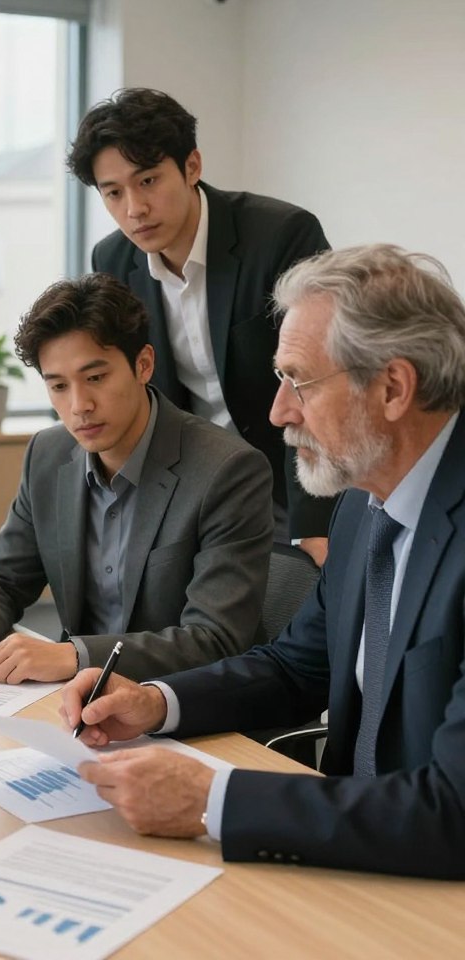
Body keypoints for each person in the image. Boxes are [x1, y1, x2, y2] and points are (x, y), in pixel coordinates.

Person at [61, 244, 465, 879]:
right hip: (359, 865)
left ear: (393, 387)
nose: (279, 411)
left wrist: (211, 800)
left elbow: (455, 810)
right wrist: (155, 702)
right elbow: (297, 667)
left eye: (298, 380)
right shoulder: (365, 503)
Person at [0, 273, 273, 685]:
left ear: (143, 364)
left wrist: (75, 657)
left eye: (95, 378)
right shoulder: (47, 455)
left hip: (185, 710)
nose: (79, 406)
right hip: (77, 706)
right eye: (58, 386)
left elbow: (214, 639)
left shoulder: (228, 470)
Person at [67, 87, 335, 565]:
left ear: (192, 166)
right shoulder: (111, 259)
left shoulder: (282, 236)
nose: (134, 209)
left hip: (286, 475)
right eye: (113, 192)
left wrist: (316, 524)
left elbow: (321, 377)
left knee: (291, 610)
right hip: (191, 480)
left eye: (148, 180)